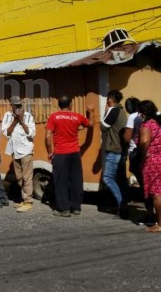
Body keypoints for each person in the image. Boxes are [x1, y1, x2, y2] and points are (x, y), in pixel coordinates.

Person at [45, 95, 95, 217]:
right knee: (76, 180)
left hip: (61, 153)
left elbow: (47, 136)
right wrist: (91, 112)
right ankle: (76, 207)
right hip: (75, 153)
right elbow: (91, 124)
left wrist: (50, 152)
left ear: (59, 105)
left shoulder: (54, 117)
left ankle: (64, 209)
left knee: (61, 181)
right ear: (71, 105)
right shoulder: (77, 116)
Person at [2, 96, 36, 213]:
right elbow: (6, 133)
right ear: (12, 106)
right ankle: (24, 198)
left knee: (27, 177)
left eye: (19, 105)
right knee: (19, 178)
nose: (18, 108)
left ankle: (28, 201)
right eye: (16, 105)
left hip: (26, 150)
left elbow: (31, 134)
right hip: (14, 150)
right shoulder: (7, 116)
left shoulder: (28, 116)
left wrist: (21, 122)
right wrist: (15, 121)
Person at [101, 89, 128, 217]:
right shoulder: (122, 111)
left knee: (108, 178)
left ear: (109, 100)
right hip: (122, 150)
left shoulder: (113, 110)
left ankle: (122, 206)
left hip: (114, 150)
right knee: (121, 179)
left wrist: (105, 112)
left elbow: (103, 127)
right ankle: (123, 205)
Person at [137, 100, 161, 232]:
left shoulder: (147, 126)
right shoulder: (159, 122)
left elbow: (145, 142)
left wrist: (142, 155)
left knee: (157, 193)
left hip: (153, 162)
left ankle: (160, 224)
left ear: (144, 112)